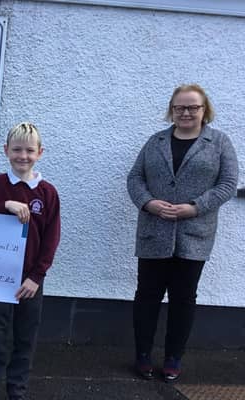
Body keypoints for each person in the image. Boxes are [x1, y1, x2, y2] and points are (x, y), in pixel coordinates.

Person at [127, 84, 238, 382]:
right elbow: (135, 178)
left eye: (193, 107)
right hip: (154, 231)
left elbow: (227, 184)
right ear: (172, 110)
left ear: (205, 110)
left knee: (183, 298)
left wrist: (195, 207)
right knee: (147, 296)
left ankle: (174, 357)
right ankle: (143, 355)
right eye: (180, 107)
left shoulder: (219, 143)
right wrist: (148, 203)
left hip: (194, 234)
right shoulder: (155, 142)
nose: (186, 112)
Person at [0, 122, 61, 400]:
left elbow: (51, 238)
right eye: (16, 150)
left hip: (30, 281)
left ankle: (17, 390)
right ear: (6, 151)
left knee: (24, 339)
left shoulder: (47, 193)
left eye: (29, 150)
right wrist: (5, 205)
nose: (22, 156)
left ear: (40, 152)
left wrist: (36, 277)